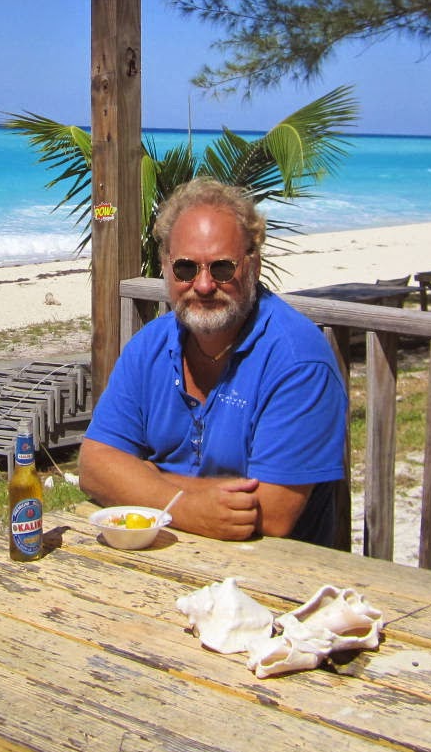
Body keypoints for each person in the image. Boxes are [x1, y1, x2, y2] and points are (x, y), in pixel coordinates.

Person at [79, 178, 348, 545]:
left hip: (277, 579)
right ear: (166, 267)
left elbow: (273, 514)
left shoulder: (298, 361)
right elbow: (94, 467)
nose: (203, 285)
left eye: (222, 268)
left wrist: (146, 477)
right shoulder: (150, 346)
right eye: (186, 269)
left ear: (253, 265)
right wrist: (187, 506)